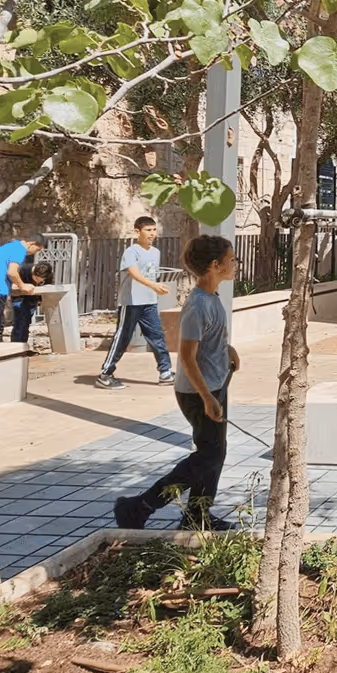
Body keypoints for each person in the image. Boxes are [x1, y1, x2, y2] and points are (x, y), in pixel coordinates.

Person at [113, 235, 240, 532]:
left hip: (213, 386)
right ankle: (140, 506)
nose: (235, 265)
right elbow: (186, 357)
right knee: (207, 456)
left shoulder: (212, 297)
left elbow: (209, 340)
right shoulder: (198, 305)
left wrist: (226, 349)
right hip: (198, 392)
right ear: (215, 265)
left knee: (214, 454)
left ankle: (197, 515)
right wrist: (207, 398)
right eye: (232, 260)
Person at [97, 216, 174, 390]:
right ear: (137, 231)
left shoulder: (156, 252)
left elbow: (152, 273)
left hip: (149, 302)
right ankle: (105, 374)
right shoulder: (131, 251)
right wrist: (153, 285)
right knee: (122, 338)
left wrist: (155, 288)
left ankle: (165, 372)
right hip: (131, 302)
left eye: (154, 230)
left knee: (157, 337)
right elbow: (134, 273)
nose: (152, 234)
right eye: (148, 230)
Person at [0, 237, 44, 342]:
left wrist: (15, 286)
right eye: (37, 250)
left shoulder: (9, 246)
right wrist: (23, 286)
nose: (35, 253)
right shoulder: (19, 250)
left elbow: (0, 270)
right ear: (32, 243)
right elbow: (12, 272)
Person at [9, 259, 55, 345]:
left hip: (32, 298)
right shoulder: (23, 270)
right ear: (33, 273)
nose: (38, 282)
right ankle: (16, 345)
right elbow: (11, 285)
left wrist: (41, 300)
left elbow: (47, 287)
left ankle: (23, 345)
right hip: (19, 297)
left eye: (41, 281)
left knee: (26, 322)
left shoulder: (48, 275)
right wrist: (23, 287)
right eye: (37, 279)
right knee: (20, 321)